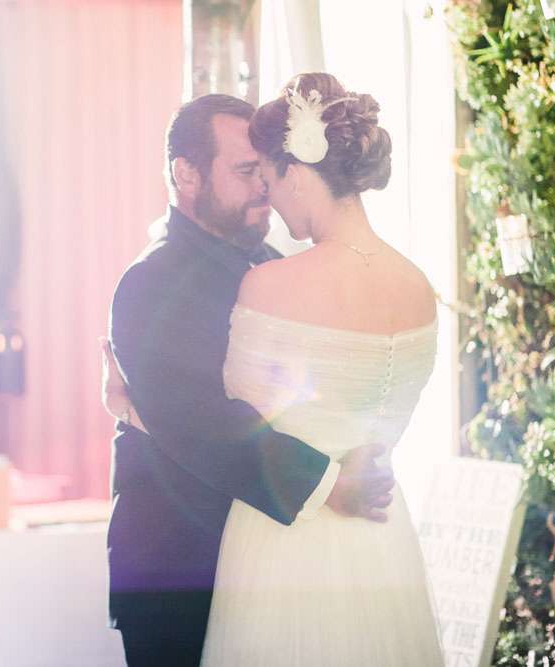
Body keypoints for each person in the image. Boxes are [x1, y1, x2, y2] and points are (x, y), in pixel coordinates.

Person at [103, 92, 398, 667]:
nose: (264, 185)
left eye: (265, 169)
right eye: (245, 171)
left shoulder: (271, 263)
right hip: (180, 569)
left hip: (268, 555)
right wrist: (329, 483)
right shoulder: (150, 282)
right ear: (186, 174)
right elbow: (203, 422)